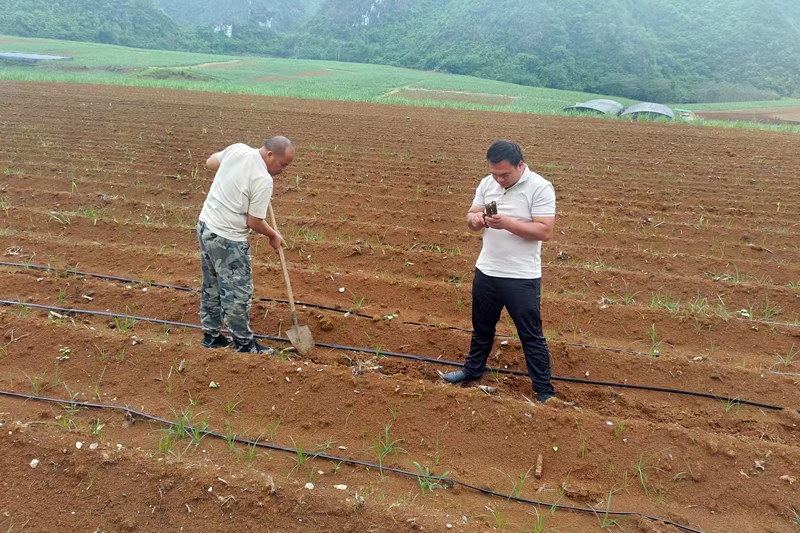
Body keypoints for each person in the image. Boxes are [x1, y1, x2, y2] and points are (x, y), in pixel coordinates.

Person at [440, 140, 557, 403]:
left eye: (505, 174)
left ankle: (544, 390)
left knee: (530, 335)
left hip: (522, 276)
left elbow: (545, 231)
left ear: (520, 165)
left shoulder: (540, 187)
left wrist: (507, 223)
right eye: (494, 173)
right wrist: (475, 220)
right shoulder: (487, 183)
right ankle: (472, 371)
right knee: (482, 327)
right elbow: (471, 216)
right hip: (487, 270)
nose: (499, 179)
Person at [196, 136, 295, 353]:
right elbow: (254, 222)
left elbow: (211, 162)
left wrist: (234, 174)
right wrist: (273, 235)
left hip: (205, 227)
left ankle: (211, 336)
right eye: (282, 164)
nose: (283, 171)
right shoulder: (263, 180)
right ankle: (244, 344)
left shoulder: (238, 150)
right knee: (237, 293)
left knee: (212, 285)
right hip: (227, 239)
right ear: (270, 154)